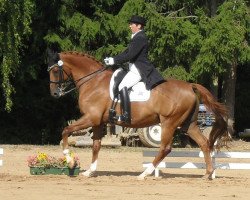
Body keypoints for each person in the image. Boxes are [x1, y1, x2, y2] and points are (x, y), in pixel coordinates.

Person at [104, 15, 165, 124]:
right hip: (134, 68)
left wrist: (114, 61)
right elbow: (126, 52)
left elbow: (130, 55)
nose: (130, 26)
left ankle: (126, 116)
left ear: (138, 25)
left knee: (122, 86)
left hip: (138, 69)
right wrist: (113, 59)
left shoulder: (140, 38)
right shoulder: (136, 37)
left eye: (132, 24)